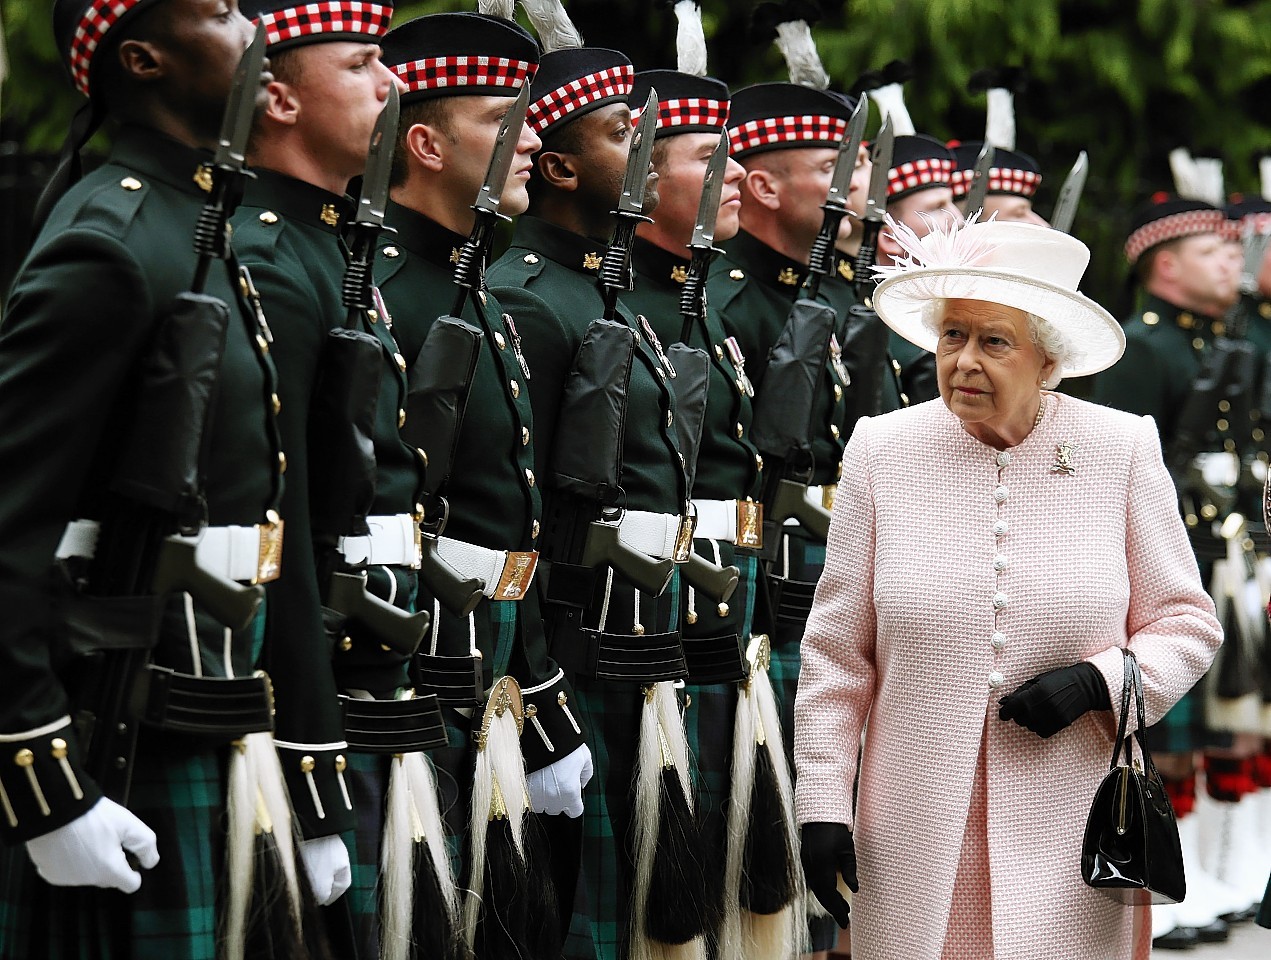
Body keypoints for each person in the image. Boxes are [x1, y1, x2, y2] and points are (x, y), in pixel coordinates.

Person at [795, 218, 1223, 960]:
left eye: (993, 341)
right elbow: (838, 656)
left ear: (1047, 357)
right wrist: (822, 805)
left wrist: (1101, 681)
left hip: (1072, 824)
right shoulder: (879, 450)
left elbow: (1186, 622)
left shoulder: (1120, 447)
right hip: (910, 825)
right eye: (951, 336)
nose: (962, 361)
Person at [0, 0, 309, 956]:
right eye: (222, 13)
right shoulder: (113, 239)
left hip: (211, 704)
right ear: (144, 59)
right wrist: (44, 789)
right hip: (116, 732)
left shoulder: (198, 218)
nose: (257, 29)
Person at [375, 11, 592, 953]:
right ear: (424, 142)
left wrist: (536, 693)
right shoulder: (387, 287)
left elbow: (519, 517)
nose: (534, 136)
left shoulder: (472, 287)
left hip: (494, 657)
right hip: (414, 661)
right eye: (505, 118)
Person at [485, 35, 701, 960]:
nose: (647, 153)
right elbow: (517, 514)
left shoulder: (600, 292)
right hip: (574, 637)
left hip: (633, 629)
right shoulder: (530, 300)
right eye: (625, 133)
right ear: (560, 164)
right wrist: (543, 695)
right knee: (575, 918)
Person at [231, 0, 413, 937]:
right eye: (357, 65)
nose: (389, 82)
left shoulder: (324, 244)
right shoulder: (269, 253)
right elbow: (287, 524)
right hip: (315, 684)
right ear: (279, 100)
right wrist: (313, 768)